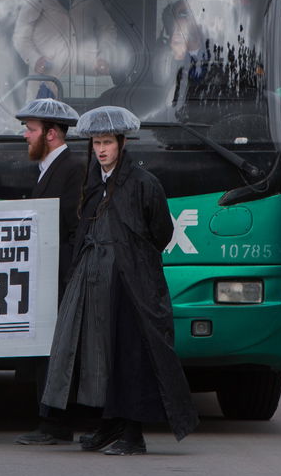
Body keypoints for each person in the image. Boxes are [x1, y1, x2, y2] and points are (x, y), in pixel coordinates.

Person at [42, 105, 198, 455]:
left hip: (129, 282)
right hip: (91, 278)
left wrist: (128, 261)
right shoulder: (92, 181)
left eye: (108, 142)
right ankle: (107, 425)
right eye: (97, 142)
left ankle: (131, 433)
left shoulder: (144, 183)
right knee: (95, 354)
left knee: (128, 353)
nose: (101, 149)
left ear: (122, 143)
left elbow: (161, 231)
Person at [11, 98, 86, 447]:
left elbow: (73, 226)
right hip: (47, 275)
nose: (25, 135)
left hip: (60, 275)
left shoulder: (71, 168)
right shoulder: (47, 169)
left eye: (31, 129)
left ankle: (56, 423)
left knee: (57, 350)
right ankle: (49, 419)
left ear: (52, 134)